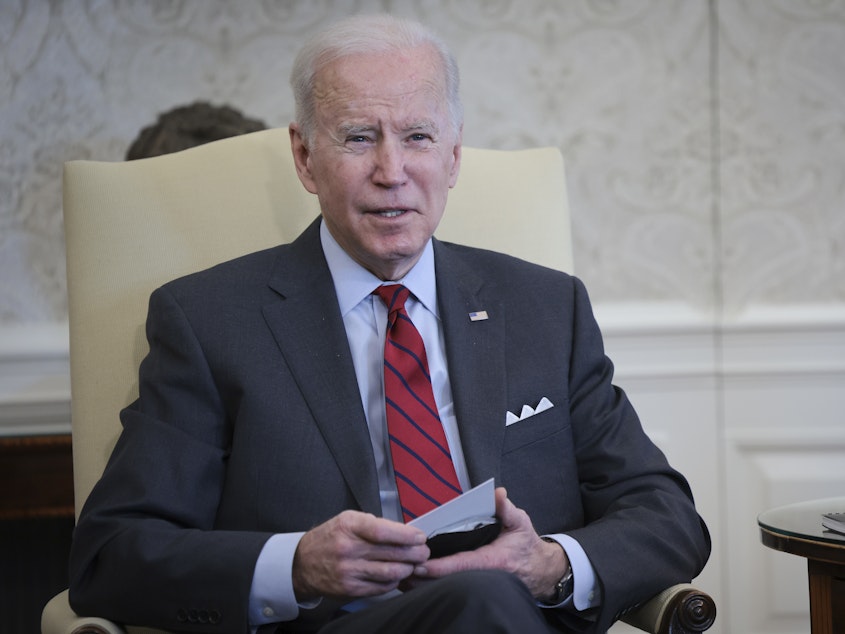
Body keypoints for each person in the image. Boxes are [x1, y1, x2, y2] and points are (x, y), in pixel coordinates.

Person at [68, 13, 710, 634]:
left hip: (518, 617)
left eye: (418, 137)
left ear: (454, 157)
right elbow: (113, 553)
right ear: (303, 156)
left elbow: (666, 516)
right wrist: (297, 566)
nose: (391, 171)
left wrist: (549, 566)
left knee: (486, 599)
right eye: (357, 137)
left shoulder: (546, 307)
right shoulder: (210, 322)